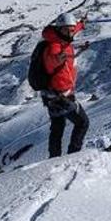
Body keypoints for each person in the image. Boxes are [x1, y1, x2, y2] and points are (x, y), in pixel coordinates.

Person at [40, 13, 90, 158]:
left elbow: (72, 29)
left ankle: (53, 159)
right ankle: (73, 156)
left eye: (71, 30)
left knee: (57, 128)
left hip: (52, 95)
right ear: (58, 29)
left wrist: (81, 23)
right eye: (66, 30)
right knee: (82, 123)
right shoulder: (54, 46)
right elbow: (50, 63)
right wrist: (58, 58)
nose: (70, 33)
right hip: (60, 97)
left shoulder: (62, 39)